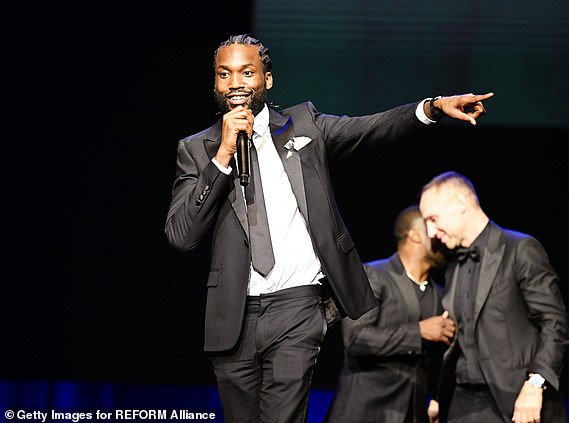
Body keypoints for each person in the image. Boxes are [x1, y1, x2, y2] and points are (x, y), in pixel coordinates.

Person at [164, 33, 493, 423]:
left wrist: (433, 108)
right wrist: (221, 157)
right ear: (215, 83)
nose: (236, 82)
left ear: (266, 80)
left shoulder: (304, 126)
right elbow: (182, 235)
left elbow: (371, 128)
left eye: (247, 72)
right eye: (225, 74)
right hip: (232, 314)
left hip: (296, 307)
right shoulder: (197, 148)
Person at [417, 171, 569, 423]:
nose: (430, 231)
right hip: (461, 404)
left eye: (433, 219)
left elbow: (555, 322)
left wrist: (535, 383)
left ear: (460, 205)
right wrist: (439, 396)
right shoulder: (454, 265)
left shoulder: (520, 249)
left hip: (514, 401)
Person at [324, 205, 456, 423]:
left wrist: (439, 398)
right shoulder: (373, 276)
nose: (441, 236)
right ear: (414, 235)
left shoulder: (441, 294)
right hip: (365, 410)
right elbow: (356, 339)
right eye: (432, 228)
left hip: (412, 413)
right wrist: (419, 331)